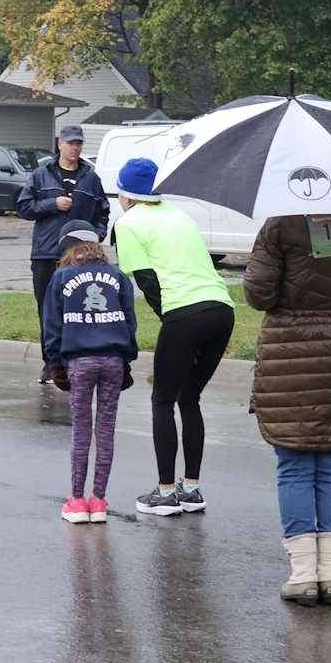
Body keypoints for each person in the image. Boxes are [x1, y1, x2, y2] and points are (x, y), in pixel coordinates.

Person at [245, 212, 331, 606]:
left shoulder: (280, 224)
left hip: (292, 350)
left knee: (294, 464)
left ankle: (304, 575)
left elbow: (259, 294)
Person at [112, 158, 235, 516]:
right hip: (221, 309)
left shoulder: (128, 223)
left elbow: (148, 283)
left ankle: (166, 493)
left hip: (184, 312)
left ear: (124, 193)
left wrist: (178, 329)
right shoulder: (180, 215)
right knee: (189, 398)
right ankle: (191, 489)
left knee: (162, 400)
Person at [42, 220, 138, 524]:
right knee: (106, 430)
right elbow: (129, 322)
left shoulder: (61, 278)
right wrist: (126, 361)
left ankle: (77, 500)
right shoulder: (117, 277)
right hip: (112, 360)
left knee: (81, 431)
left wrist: (56, 363)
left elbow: (52, 325)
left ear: (66, 247)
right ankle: (99, 501)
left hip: (79, 362)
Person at [16, 125, 110, 384]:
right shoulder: (40, 175)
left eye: (78, 143)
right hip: (46, 253)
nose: (75, 147)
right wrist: (52, 204)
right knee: (48, 309)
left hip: (80, 256)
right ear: (59, 144)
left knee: (78, 308)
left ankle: (76, 360)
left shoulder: (90, 177)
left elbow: (103, 211)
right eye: (70, 143)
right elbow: (23, 207)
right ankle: (52, 363)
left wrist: (98, 235)